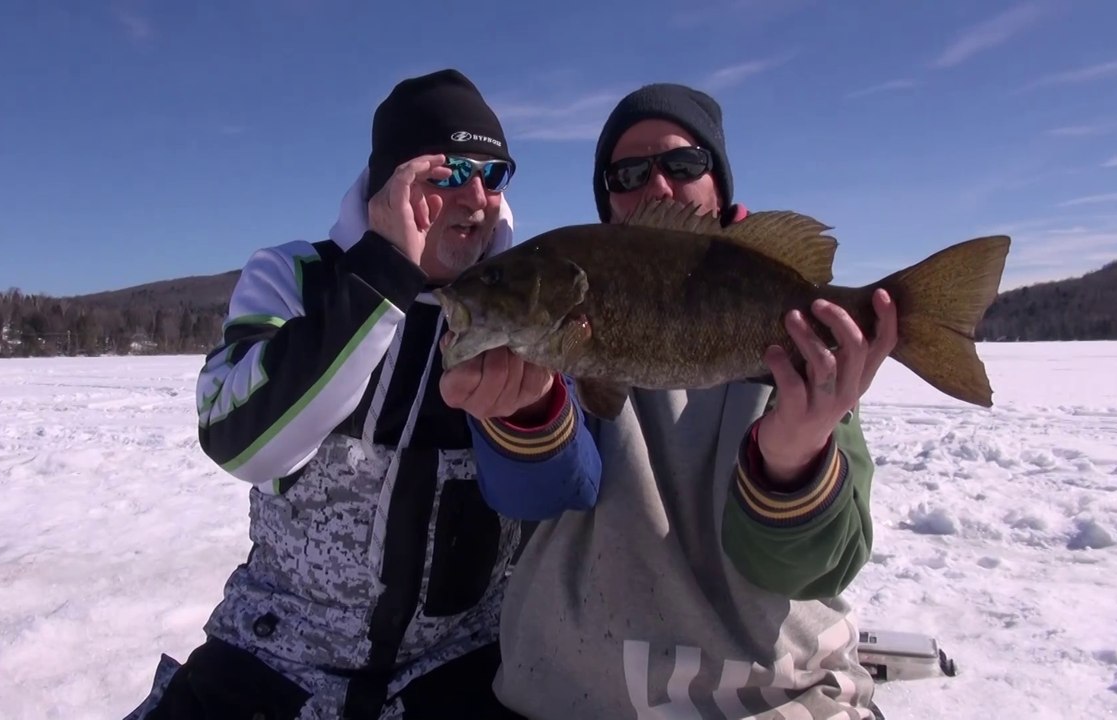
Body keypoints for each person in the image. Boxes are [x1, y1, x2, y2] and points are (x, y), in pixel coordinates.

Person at [123, 68, 600, 720]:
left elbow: (565, 492)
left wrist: (532, 415)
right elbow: (240, 440)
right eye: (450, 171)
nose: (478, 195)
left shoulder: (529, 301)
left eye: (495, 175)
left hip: (461, 667)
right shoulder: (298, 278)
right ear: (391, 185)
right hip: (273, 659)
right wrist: (379, 281)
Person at [488, 83, 897, 718]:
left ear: (720, 181)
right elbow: (542, 491)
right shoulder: (559, 330)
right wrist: (524, 413)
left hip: (766, 698)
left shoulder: (805, 356)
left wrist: (793, 457)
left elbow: (820, 570)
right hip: (573, 694)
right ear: (606, 203)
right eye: (626, 173)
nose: (656, 187)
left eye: (682, 164)